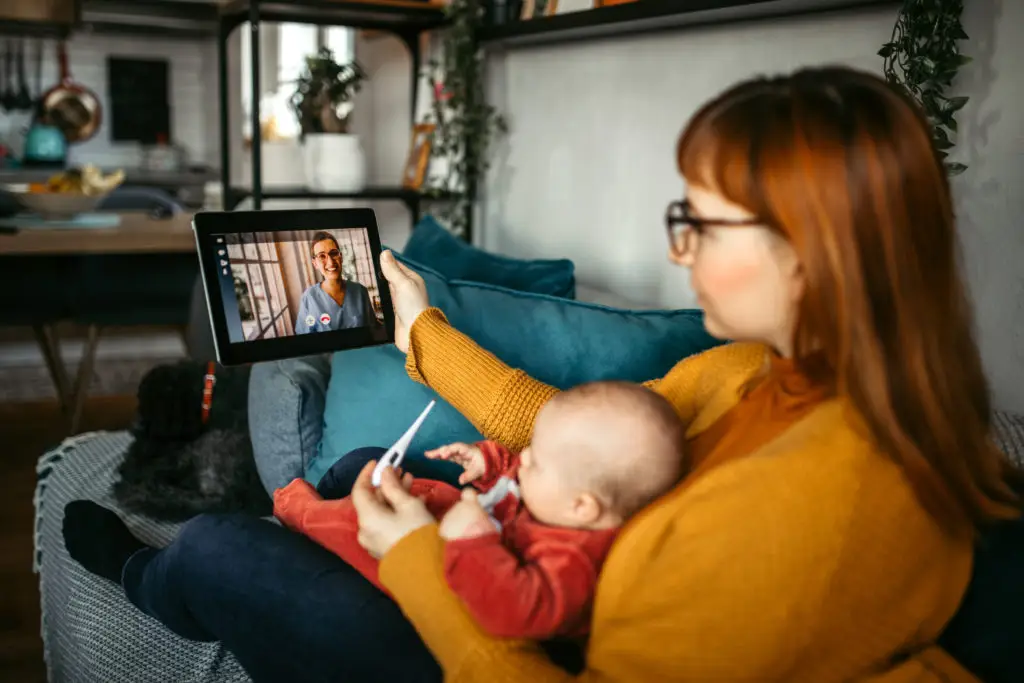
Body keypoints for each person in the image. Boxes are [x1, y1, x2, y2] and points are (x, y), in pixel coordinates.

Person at [61, 65, 1023, 683]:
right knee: (363, 458)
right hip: (548, 555)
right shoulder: (754, 370)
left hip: (524, 638)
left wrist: (415, 562)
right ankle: (294, 546)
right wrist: (421, 329)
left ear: (814, 254)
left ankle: (157, 575)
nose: (679, 253)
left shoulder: (826, 503)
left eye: (701, 222)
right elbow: (569, 425)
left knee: (227, 548)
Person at [273, 381, 686, 640]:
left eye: (535, 461)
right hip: (478, 532)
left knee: (352, 522)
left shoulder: (572, 563)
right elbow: (523, 492)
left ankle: (296, 510)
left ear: (583, 507)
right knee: (410, 485)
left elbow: (513, 611)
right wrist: (490, 465)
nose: (522, 460)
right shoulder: (569, 504)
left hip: (459, 586)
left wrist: (475, 541)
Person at [294, 231, 377, 334]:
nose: (330, 262)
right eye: (322, 256)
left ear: (341, 257)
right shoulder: (309, 298)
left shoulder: (360, 291)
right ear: (315, 263)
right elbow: (304, 341)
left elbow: (374, 331)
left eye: (334, 253)